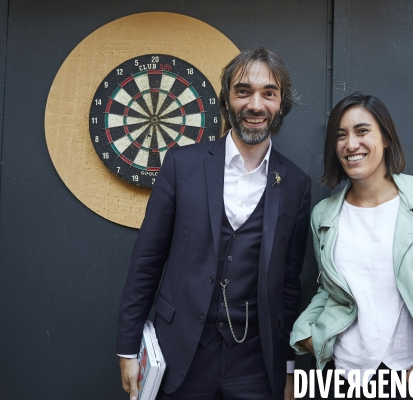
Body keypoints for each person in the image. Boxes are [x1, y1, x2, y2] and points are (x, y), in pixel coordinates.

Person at [117, 48, 311, 400]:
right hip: (180, 356)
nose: (256, 105)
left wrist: (287, 365)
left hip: (256, 364)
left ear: (281, 104)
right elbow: (146, 263)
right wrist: (128, 350)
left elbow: (288, 286)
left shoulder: (296, 183)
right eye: (243, 91)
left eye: (269, 93)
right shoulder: (181, 165)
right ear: (227, 99)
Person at [290, 92, 413, 399]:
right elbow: (329, 290)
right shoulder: (324, 215)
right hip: (340, 375)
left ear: (386, 138)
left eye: (362, 131)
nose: (351, 144)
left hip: (407, 375)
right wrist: (307, 332)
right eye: (340, 135)